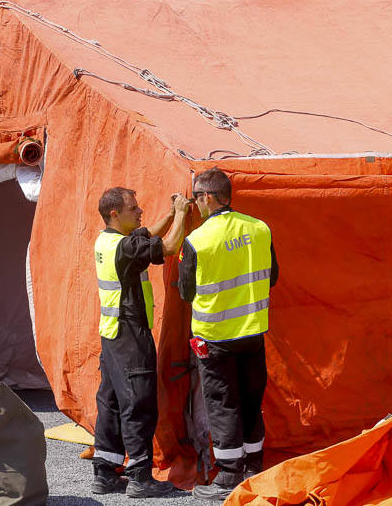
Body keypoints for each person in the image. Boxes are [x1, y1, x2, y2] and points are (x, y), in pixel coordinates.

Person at [178, 167, 279, 501]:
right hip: (252, 332)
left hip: (214, 338)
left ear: (208, 196)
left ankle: (229, 477)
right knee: (251, 401)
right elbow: (272, 276)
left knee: (223, 404)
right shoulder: (260, 228)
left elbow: (185, 292)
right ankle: (254, 467)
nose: (195, 205)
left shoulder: (197, 241)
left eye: (196, 198)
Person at [92, 187, 191, 498]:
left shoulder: (106, 240)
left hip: (111, 334)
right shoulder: (126, 248)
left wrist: (172, 213)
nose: (140, 212)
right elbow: (169, 246)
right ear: (114, 214)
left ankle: (105, 472)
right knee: (138, 402)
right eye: (133, 209)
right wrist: (185, 214)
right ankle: (140, 477)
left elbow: (147, 234)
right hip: (131, 335)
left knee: (110, 402)